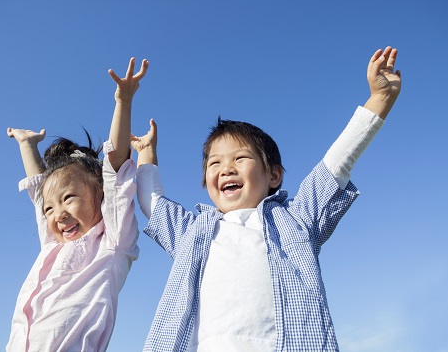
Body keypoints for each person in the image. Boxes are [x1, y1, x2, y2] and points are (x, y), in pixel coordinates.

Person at [132, 46, 401, 351]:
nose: (226, 169)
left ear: (273, 176)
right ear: (206, 181)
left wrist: (379, 100)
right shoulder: (190, 232)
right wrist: (146, 154)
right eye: (214, 163)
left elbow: (335, 166)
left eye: (240, 158)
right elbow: (151, 202)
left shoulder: (296, 220)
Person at [6, 57, 149, 351]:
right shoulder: (52, 244)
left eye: (69, 198)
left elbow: (117, 167)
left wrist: (123, 100)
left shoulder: (111, 244)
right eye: (50, 210)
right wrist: (27, 145)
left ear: (100, 193)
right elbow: (40, 194)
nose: (58, 214)